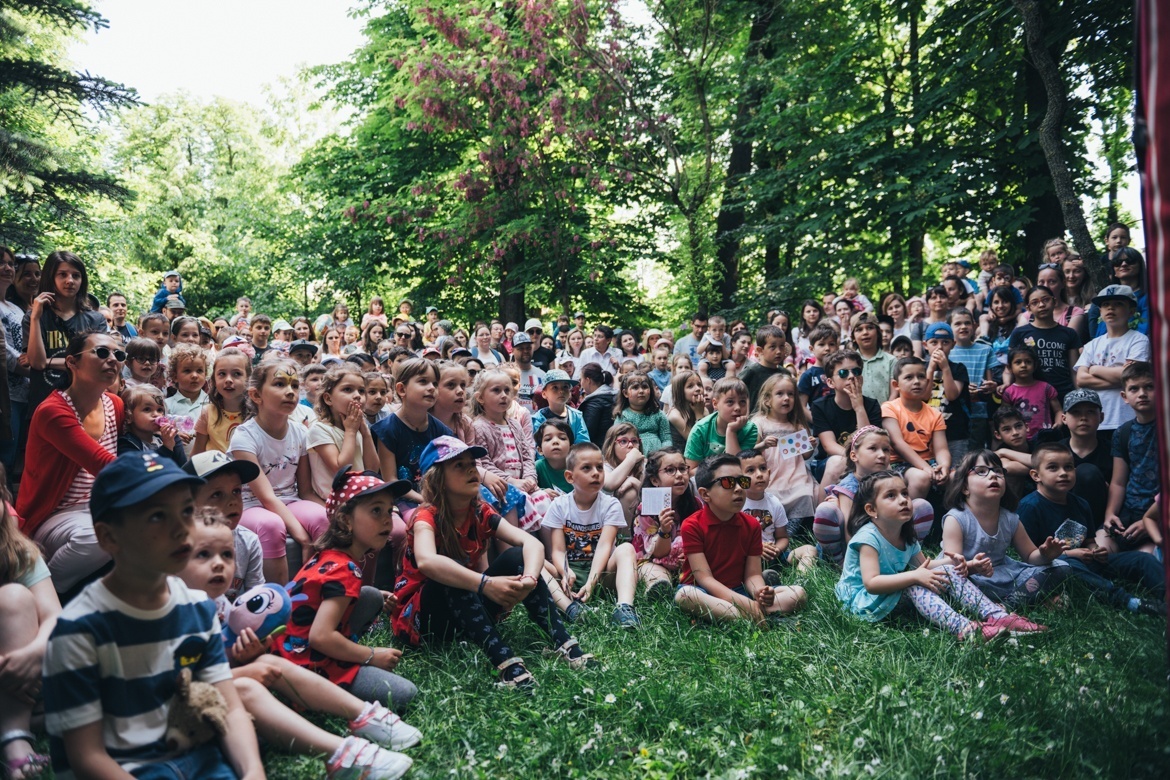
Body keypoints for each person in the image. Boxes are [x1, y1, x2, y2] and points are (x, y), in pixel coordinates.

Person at [42, 452, 265, 780]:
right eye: (158, 516)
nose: (181, 529)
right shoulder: (79, 630)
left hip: (198, 759)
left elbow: (230, 708)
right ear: (109, 537)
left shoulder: (198, 608)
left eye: (186, 511)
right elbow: (87, 756)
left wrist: (253, 770)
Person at [178, 511, 418, 780]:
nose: (219, 564)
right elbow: (177, 685)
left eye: (227, 555)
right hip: (189, 713)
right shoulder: (178, 612)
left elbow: (216, 662)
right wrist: (243, 671)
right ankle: (342, 753)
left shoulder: (218, 603)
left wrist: (246, 656)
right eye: (203, 554)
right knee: (251, 682)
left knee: (268, 662)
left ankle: (364, 716)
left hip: (226, 689)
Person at [392, 437, 595, 687]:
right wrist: (485, 584)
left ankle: (565, 645)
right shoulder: (425, 516)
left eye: (471, 464)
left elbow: (531, 544)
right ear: (438, 478)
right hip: (425, 621)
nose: (471, 470)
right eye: (459, 465)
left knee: (516, 555)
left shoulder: (480, 511)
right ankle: (506, 665)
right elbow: (427, 562)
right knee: (449, 575)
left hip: (467, 609)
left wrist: (529, 579)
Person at [835, 470, 1041, 641]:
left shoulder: (905, 534)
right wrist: (915, 576)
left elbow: (925, 565)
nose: (903, 500)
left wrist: (968, 565)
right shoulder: (868, 538)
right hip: (863, 601)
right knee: (914, 585)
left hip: (888, 591)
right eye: (891, 496)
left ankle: (998, 616)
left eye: (905, 493)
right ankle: (966, 629)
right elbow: (872, 583)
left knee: (947, 570)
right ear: (871, 509)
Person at [275, 470, 418, 710]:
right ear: (345, 521)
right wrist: (371, 654)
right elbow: (320, 637)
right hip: (308, 667)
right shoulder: (344, 570)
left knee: (371, 595)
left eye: (389, 510)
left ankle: (345, 654)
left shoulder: (330, 557)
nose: (388, 520)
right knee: (406, 694)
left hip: (289, 653)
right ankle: (335, 678)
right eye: (376, 511)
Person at [16, 331, 123, 596]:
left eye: (119, 354)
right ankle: (45, 592)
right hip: (55, 514)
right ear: (72, 362)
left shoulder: (115, 405)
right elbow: (103, 464)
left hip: (101, 508)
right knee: (99, 538)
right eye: (101, 352)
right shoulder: (53, 411)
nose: (113, 359)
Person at [1017, 443, 1165, 615]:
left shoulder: (1081, 504)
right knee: (1069, 565)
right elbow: (1029, 558)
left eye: (1068, 467)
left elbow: (1088, 541)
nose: (1063, 473)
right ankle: (1129, 602)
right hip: (1055, 567)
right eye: (1053, 468)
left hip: (1087, 563)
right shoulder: (1029, 507)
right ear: (1036, 475)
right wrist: (1072, 554)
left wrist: (1096, 550)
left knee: (1141, 559)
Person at [674, 454, 807, 625]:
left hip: (740, 590)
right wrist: (747, 604)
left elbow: (752, 575)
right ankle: (758, 616)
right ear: (705, 494)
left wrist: (760, 592)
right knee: (685, 596)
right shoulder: (692, 525)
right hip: (704, 592)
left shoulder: (751, 525)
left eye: (742, 481)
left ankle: (740, 616)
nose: (738, 488)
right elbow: (705, 578)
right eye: (727, 482)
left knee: (798, 594)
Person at [231, 358, 330, 585]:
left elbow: (305, 491)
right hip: (251, 504)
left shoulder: (300, 432)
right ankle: (278, 598)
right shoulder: (244, 436)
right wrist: (303, 538)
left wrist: (334, 513)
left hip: (290, 499)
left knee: (321, 518)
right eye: (279, 384)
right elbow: (266, 497)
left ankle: (319, 589)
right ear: (256, 395)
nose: (290, 392)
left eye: (294, 385)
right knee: (271, 525)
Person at [941, 450, 1070, 607]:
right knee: (952, 581)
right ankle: (1025, 601)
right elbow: (953, 566)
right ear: (965, 488)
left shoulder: (1010, 519)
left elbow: (1030, 556)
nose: (993, 475)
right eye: (981, 471)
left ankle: (1007, 604)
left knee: (1062, 567)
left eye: (998, 471)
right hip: (970, 576)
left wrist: (1045, 555)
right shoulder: (956, 519)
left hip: (1004, 575)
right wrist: (974, 568)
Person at [0, 466, 60, 780]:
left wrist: (31, 654)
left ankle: (15, 734)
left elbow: (54, 616)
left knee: (15, 598)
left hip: (19, 669)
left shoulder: (17, 552)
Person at [542, 442, 642, 628]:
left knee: (626, 549)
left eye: (599, 467)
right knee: (536, 560)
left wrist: (591, 583)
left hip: (602, 574)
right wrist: (565, 572)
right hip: (569, 575)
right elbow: (557, 550)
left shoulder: (610, 505)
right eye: (587, 468)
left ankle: (625, 608)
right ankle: (570, 609)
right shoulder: (559, 505)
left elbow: (604, 546)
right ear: (570, 477)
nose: (596, 473)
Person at [812, 426, 934, 566]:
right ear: (854, 456)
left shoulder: (892, 480)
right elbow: (850, 532)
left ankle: (908, 555)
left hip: (886, 538)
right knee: (826, 510)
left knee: (921, 506)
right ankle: (840, 563)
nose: (882, 455)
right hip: (853, 548)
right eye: (873, 448)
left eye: (886, 449)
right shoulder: (849, 486)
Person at [23, 250, 107, 412]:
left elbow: (95, 364)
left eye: (76, 276)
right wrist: (35, 318)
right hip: (43, 403)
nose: (70, 281)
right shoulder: (34, 317)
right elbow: (37, 363)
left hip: (84, 404)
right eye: (62, 274)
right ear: (51, 277)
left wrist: (48, 362)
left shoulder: (95, 320)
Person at [471, 368, 550, 531]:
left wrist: (530, 479)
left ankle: (549, 546)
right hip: (503, 488)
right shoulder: (478, 427)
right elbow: (485, 464)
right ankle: (522, 544)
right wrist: (512, 482)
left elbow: (527, 456)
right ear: (480, 398)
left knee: (543, 498)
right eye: (496, 390)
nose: (504, 395)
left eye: (507, 390)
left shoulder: (514, 424)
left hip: (524, 484)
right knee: (521, 500)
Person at [1073, 284, 1150, 444]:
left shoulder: (1139, 340)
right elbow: (1081, 380)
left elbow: (1133, 377)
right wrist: (1120, 378)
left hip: (1128, 417)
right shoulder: (1092, 345)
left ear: (1131, 311)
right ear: (1100, 311)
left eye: (1118, 304)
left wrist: (1095, 369)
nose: (1110, 308)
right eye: (1106, 304)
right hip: (1098, 421)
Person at [1100, 362, 1160, 556]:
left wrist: (1150, 521)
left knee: (1147, 558)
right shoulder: (1123, 432)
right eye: (1134, 389)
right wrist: (1110, 514)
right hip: (1130, 511)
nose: (1142, 393)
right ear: (1124, 396)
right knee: (1100, 549)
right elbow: (1118, 482)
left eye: (1149, 386)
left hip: (1159, 513)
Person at [737, 449, 816, 579]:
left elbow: (782, 537)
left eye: (763, 468)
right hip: (747, 555)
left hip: (774, 556)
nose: (759, 474)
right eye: (750, 470)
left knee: (809, 549)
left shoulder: (774, 503)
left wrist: (777, 550)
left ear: (769, 472)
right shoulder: (736, 504)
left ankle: (800, 581)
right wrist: (756, 549)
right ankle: (761, 578)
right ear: (740, 478)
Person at [308, 364, 381, 503]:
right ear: (328, 399)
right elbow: (342, 470)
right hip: (337, 501)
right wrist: (351, 431)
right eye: (348, 389)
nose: (357, 396)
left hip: (361, 496)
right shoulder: (319, 430)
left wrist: (365, 434)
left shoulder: (357, 429)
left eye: (361, 391)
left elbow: (372, 470)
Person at [750, 372, 818, 522]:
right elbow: (751, 452)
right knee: (771, 496)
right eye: (780, 394)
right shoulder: (759, 422)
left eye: (790, 394)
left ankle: (794, 525)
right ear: (767, 400)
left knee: (804, 494)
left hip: (794, 474)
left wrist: (810, 445)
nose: (786, 398)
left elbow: (806, 456)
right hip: (771, 472)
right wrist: (763, 445)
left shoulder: (796, 426)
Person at [631, 448, 696, 600]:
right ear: (655, 480)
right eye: (670, 470)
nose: (679, 475)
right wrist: (664, 530)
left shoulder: (695, 504)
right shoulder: (647, 508)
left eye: (682, 469)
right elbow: (658, 553)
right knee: (655, 574)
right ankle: (660, 588)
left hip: (687, 561)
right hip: (654, 561)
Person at [812, 350, 883, 489]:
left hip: (865, 458)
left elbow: (870, 441)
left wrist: (859, 408)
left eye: (856, 371)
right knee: (838, 463)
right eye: (843, 373)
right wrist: (856, 458)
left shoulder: (872, 405)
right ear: (830, 382)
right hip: (830, 460)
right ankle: (821, 504)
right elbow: (829, 445)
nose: (851, 376)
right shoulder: (820, 406)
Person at [881, 356, 948, 499]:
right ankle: (909, 513)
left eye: (921, 376)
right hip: (898, 464)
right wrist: (924, 467)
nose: (916, 381)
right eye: (909, 377)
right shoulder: (889, 408)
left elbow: (941, 449)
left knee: (957, 477)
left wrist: (944, 466)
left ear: (928, 382)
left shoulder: (935, 414)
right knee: (921, 478)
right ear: (896, 384)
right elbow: (897, 443)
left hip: (929, 463)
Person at [1009, 284, 1081, 401]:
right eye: (1035, 302)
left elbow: (1074, 371)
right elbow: (1011, 367)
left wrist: (1079, 396)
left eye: (1046, 300)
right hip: (1030, 395)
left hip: (1064, 393)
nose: (1041, 305)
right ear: (1028, 308)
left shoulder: (1069, 333)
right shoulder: (1019, 333)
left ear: (1054, 301)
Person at [921, 322, 971, 463]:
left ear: (953, 344)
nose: (939, 347)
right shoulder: (920, 369)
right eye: (934, 342)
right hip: (925, 432)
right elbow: (924, 396)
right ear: (925, 345)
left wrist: (945, 368)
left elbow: (952, 395)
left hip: (955, 432)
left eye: (945, 342)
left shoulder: (958, 369)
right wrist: (930, 370)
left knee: (955, 469)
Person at [684, 377, 760, 469]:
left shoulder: (750, 429)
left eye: (742, 402)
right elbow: (691, 469)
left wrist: (731, 431)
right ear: (715, 404)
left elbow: (736, 467)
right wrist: (717, 472)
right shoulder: (700, 430)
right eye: (730, 402)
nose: (738, 408)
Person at [948, 307, 995, 449]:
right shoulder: (948, 352)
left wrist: (990, 386)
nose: (963, 327)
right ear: (950, 327)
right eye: (957, 323)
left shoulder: (985, 350)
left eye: (967, 323)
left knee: (978, 447)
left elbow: (990, 380)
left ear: (974, 326)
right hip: (955, 410)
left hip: (979, 407)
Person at [192, 347, 250, 455]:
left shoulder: (257, 414)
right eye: (222, 374)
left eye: (237, 374)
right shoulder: (208, 413)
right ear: (214, 380)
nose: (228, 380)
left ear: (248, 379)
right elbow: (196, 454)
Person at [117, 384, 187, 466]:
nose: (156, 414)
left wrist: (175, 439)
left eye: (160, 410)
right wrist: (166, 448)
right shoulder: (126, 443)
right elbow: (145, 470)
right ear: (129, 416)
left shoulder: (161, 439)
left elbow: (183, 467)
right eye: (147, 409)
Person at [1000, 346, 1059, 441]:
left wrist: (1058, 423)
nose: (1023, 365)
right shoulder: (1009, 392)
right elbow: (1005, 416)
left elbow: (1058, 410)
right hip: (1020, 439)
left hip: (1045, 437)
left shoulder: (1046, 387)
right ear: (1010, 367)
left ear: (1035, 366)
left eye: (1028, 362)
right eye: (1018, 362)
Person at [614, 371, 671, 454]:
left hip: (659, 458)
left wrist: (664, 455)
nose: (641, 391)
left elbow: (666, 439)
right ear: (625, 393)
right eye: (635, 387)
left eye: (644, 387)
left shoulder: (658, 414)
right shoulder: (623, 416)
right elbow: (618, 442)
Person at [530, 368, 590, 445]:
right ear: (544, 394)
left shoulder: (576, 416)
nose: (561, 391)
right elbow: (536, 447)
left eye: (565, 387)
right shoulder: (537, 420)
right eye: (555, 387)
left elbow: (583, 445)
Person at [165, 343, 210, 427]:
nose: (195, 375)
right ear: (175, 376)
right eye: (187, 371)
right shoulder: (167, 405)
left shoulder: (212, 404)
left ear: (206, 374)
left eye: (199, 371)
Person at [796, 324, 839, 408]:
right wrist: (814, 417)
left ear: (837, 347)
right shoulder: (808, 376)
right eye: (821, 344)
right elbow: (801, 407)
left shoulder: (842, 372)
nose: (827, 348)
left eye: (831, 344)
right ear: (812, 349)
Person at [577, 363, 616, 446]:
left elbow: (587, 434)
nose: (581, 383)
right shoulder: (614, 396)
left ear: (588, 380)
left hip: (599, 448)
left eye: (581, 379)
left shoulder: (594, 403)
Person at [666, 369, 705, 451]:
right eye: (690, 386)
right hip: (682, 454)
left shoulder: (702, 408)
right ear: (680, 392)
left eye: (699, 384)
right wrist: (699, 415)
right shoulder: (675, 415)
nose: (698, 389)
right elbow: (697, 442)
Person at [534, 418, 574, 495]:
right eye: (548, 439)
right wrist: (541, 492)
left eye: (562, 438)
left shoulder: (578, 468)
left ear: (571, 449)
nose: (555, 441)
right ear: (540, 450)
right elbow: (527, 490)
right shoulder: (537, 467)